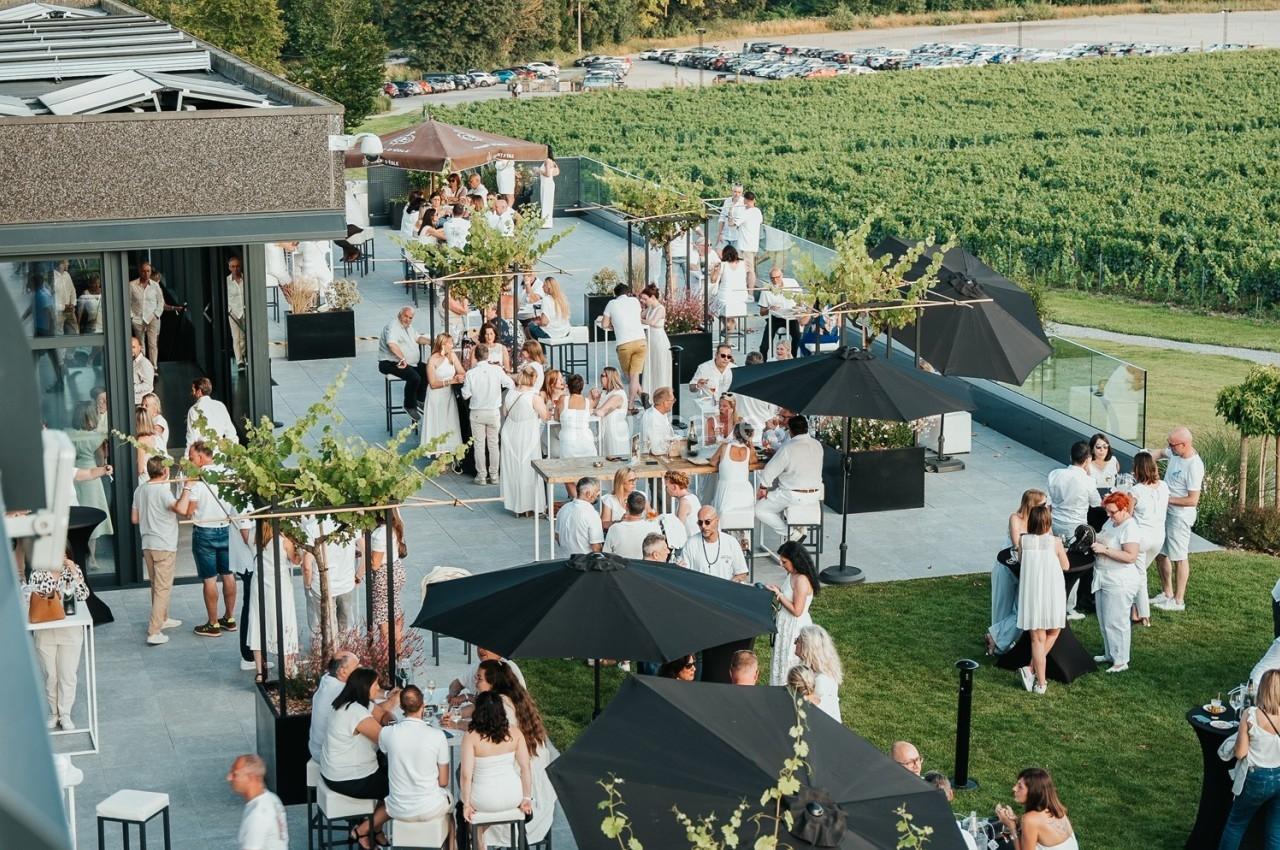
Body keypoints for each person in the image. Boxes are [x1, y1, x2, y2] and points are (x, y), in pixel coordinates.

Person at [322, 668, 391, 846]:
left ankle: (376, 829)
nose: (378, 688)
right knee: (402, 790)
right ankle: (363, 831)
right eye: (375, 684)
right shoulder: (357, 713)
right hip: (350, 778)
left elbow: (382, 714)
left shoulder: (347, 703)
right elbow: (386, 740)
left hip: (333, 772)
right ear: (365, 687)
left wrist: (387, 719)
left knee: (388, 770)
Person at [374, 686, 453, 840]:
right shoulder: (437, 736)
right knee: (451, 815)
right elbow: (443, 782)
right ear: (423, 705)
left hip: (398, 808)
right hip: (430, 807)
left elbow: (385, 752)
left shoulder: (387, 733)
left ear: (402, 707)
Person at [460, 692, 534, 848]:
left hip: (483, 799)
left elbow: (466, 775)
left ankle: (479, 843)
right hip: (513, 796)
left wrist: (467, 804)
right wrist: (527, 798)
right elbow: (525, 767)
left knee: (466, 817)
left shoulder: (471, 736)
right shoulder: (515, 732)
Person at [29, 555, 90, 729]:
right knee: (51, 675)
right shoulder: (38, 571)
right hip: (45, 630)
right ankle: (53, 713)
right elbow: (40, 593)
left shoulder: (73, 569)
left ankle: (65, 714)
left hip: (70, 631)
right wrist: (52, 573)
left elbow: (83, 595)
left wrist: (73, 571)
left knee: (67, 675)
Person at [132, 456, 186, 646]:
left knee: (156, 585)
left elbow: (134, 519)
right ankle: (154, 631)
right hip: (164, 544)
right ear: (165, 471)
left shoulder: (140, 489)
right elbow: (180, 509)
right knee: (163, 588)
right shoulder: (163, 491)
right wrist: (187, 488)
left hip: (147, 543)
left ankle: (163, 618)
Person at [1016, 505, 1071, 694]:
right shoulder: (1055, 542)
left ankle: (1036, 675)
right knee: (1053, 632)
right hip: (1052, 592)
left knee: (1036, 639)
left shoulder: (1023, 541)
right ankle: (1038, 679)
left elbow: (1022, 561)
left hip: (1031, 593)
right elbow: (1065, 565)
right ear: (1048, 522)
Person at [1148, 426, 1204, 612]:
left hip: (1180, 517)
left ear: (1184, 444)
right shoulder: (1175, 454)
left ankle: (1178, 600)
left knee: (1179, 556)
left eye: (1172, 445)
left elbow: (1192, 500)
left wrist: (1165, 498)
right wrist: (1148, 461)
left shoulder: (1194, 466)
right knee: (1160, 553)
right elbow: (1158, 453)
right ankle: (1167, 593)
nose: (1169, 447)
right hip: (1165, 513)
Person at [186, 441, 238, 638]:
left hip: (204, 531)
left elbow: (189, 511)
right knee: (228, 574)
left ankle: (213, 623)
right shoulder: (227, 473)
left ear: (200, 457)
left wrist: (187, 488)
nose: (191, 462)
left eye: (191, 458)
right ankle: (230, 618)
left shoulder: (199, 480)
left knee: (209, 580)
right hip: (226, 528)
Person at [987, 489, 1048, 657]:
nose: (1046, 507)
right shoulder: (1015, 518)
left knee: (1024, 608)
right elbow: (1016, 543)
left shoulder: (1041, 520)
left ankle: (996, 637)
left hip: (1029, 569)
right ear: (1032, 505)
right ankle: (999, 646)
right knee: (1002, 606)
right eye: (1043, 504)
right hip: (1008, 566)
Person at [1090, 491, 1143, 674]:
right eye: (1108, 511)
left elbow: (1130, 557)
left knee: (1117, 620)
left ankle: (1121, 659)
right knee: (1104, 618)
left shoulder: (1130, 528)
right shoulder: (1111, 522)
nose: (1109, 515)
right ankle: (1109, 652)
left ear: (1124, 509)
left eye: (1112, 512)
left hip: (1120, 579)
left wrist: (1104, 550)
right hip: (1103, 575)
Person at [1046, 440, 1100, 619]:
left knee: (1054, 562)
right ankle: (1068, 607)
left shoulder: (1055, 474)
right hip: (1075, 527)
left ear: (1071, 457)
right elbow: (1096, 503)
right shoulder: (1087, 480)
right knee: (1072, 565)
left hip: (1055, 522)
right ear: (1087, 460)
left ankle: (1052, 599)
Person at [245, 523, 300, 681]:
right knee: (284, 621)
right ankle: (287, 668)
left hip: (259, 581)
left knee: (258, 622)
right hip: (279, 583)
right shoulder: (283, 539)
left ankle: (260, 672)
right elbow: (296, 560)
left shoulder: (253, 536)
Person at [756, 415, 823, 541]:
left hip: (793, 495)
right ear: (806, 428)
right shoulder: (818, 445)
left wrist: (763, 487)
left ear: (790, 431)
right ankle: (799, 529)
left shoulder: (789, 447)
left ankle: (791, 533)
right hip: (815, 496)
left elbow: (770, 470)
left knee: (760, 509)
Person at [462, 342, 515, 486]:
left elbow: (466, 395)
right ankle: (494, 475)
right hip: (493, 411)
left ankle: (481, 475)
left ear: (476, 356)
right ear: (488, 355)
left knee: (479, 445)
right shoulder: (497, 371)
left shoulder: (470, 374)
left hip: (477, 411)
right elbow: (511, 384)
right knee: (493, 444)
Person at [767, 540, 819, 686]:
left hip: (794, 626)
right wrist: (778, 590)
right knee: (780, 659)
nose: (782, 565)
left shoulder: (802, 580)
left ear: (794, 560)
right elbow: (789, 595)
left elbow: (797, 610)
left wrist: (779, 595)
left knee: (789, 661)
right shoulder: (792, 574)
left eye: (784, 562)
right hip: (785, 624)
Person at [501, 365, 550, 517]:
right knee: (529, 470)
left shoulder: (510, 393)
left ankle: (516, 505)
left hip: (510, 432)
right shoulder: (534, 397)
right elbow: (545, 416)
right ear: (533, 379)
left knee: (513, 469)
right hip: (527, 434)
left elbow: (505, 412)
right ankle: (530, 505)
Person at [302, 516, 360, 636]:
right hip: (346, 582)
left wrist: (308, 585)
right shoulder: (350, 523)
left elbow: (307, 565)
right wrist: (358, 574)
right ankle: (346, 650)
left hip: (322, 585)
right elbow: (365, 551)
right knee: (346, 627)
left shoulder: (312, 527)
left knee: (327, 630)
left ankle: (329, 653)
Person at [994, 768, 1078, 850]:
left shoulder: (1029, 819)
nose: (1014, 788)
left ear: (1034, 791)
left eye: (1020, 787)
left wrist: (1011, 826)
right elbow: (1040, 829)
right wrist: (1016, 821)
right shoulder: (1056, 809)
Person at [1129, 451, 1169, 626]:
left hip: (1141, 538)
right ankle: (1135, 608)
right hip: (1158, 537)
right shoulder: (1164, 487)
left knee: (1139, 577)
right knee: (1138, 574)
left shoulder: (1135, 491)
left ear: (1137, 470)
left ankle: (1142, 615)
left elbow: (1128, 517)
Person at [597, 283, 647, 409]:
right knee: (635, 375)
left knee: (629, 376)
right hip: (641, 341)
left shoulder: (612, 304)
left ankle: (630, 404)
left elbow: (604, 324)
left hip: (624, 343)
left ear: (615, 294)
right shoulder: (635, 301)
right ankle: (641, 395)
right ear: (628, 292)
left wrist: (613, 325)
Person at [378, 306, 431, 421]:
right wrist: (402, 358)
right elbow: (391, 344)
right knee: (414, 377)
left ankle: (419, 400)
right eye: (405, 316)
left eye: (410, 318)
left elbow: (418, 338)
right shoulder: (392, 327)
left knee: (428, 370)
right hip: (389, 362)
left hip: (409, 362)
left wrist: (431, 342)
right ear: (399, 315)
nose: (407, 319)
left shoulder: (408, 326)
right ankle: (409, 405)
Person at [227, 754, 288, 850]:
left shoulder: (258, 815)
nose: (229, 778)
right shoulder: (272, 799)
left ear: (251, 778)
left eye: (235, 774)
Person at [309, 651, 359, 763]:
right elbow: (373, 712)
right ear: (342, 671)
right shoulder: (341, 692)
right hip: (330, 756)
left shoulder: (327, 679)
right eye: (357, 667)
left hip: (316, 749)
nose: (360, 669)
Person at [370, 509, 408, 649]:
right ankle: (399, 654)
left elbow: (375, 564)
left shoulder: (380, 534)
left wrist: (363, 556)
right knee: (394, 610)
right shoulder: (395, 526)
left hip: (384, 575)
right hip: (397, 569)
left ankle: (388, 654)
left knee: (383, 616)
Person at [421, 334, 464, 455]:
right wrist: (450, 381)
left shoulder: (452, 356)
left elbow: (461, 370)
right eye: (450, 343)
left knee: (449, 422)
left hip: (448, 395)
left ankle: (450, 451)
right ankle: (439, 453)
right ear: (443, 344)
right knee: (438, 423)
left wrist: (459, 376)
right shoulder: (432, 360)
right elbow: (433, 383)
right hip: (436, 396)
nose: (452, 345)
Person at [686, 506, 748, 582]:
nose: (703, 526)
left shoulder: (731, 542)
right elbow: (683, 573)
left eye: (707, 522)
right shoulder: (691, 544)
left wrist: (729, 585)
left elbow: (742, 573)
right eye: (700, 523)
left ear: (717, 521)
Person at [795, 624, 842, 722]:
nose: (794, 643)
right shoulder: (810, 672)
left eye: (798, 640)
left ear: (807, 646)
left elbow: (811, 713)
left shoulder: (822, 680)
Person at [758, 266, 803, 358]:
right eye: (772, 278)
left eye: (777, 277)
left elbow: (800, 299)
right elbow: (762, 312)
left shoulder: (792, 282)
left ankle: (792, 359)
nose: (775, 280)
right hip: (775, 318)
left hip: (791, 316)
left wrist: (798, 307)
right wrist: (769, 309)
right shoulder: (766, 289)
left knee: (797, 337)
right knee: (764, 345)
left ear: (782, 275)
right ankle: (763, 364)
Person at [734, 353, 778, 443]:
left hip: (742, 431)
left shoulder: (736, 382)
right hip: (761, 432)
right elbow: (772, 415)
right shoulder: (769, 384)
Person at [557, 373, 597, 469]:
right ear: (582, 387)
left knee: (567, 474)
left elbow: (556, 417)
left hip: (568, 443)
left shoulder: (563, 399)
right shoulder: (588, 402)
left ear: (568, 386)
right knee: (587, 474)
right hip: (586, 442)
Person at [604, 491, 659, 559]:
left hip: (622, 568)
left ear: (626, 506)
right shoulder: (654, 527)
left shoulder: (614, 529)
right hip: (646, 567)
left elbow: (606, 554)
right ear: (644, 507)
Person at [129, 261, 164, 367]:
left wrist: (157, 314)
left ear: (150, 272)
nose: (146, 273)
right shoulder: (132, 285)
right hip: (138, 318)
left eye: (148, 271)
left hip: (152, 317)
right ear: (140, 271)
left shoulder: (155, 286)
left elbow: (161, 302)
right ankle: (143, 366)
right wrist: (131, 316)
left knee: (152, 344)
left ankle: (154, 367)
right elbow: (127, 302)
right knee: (140, 344)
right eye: (143, 271)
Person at [557, 477, 604, 555]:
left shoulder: (564, 508)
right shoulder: (592, 514)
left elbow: (557, 536)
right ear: (588, 494)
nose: (598, 494)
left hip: (563, 560)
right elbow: (596, 547)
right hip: (584, 562)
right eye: (597, 491)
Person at [639, 285, 672, 394]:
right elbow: (640, 315)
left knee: (659, 366)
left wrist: (640, 320)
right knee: (650, 366)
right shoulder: (650, 308)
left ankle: (662, 393)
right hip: (650, 341)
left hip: (659, 341)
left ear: (652, 297)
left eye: (645, 299)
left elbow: (652, 322)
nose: (643, 301)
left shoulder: (660, 308)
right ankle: (650, 392)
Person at [592, 367, 631, 458]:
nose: (600, 378)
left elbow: (601, 412)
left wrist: (593, 410)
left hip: (615, 433)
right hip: (606, 431)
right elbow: (592, 407)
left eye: (603, 376)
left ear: (610, 377)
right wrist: (594, 397)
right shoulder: (605, 393)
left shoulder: (618, 395)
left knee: (615, 458)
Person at [186, 377, 237, 447]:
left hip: (204, 454)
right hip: (221, 453)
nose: (192, 393)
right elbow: (231, 432)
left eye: (193, 390)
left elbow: (191, 438)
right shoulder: (220, 405)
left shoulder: (194, 410)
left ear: (199, 392)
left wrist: (187, 456)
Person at [713, 245, 749, 333]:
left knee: (710, 306)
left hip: (725, 298)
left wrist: (715, 269)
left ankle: (729, 325)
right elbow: (748, 275)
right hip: (742, 298)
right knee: (728, 312)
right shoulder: (743, 263)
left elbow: (713, 280)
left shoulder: (723, 264)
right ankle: (730, 324)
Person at [529, 276, 572, 341]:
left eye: (544, 285)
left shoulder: (546, 299)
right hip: (565, 332)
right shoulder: (562, 298)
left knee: (530, 326)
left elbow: (544, 322)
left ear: (548, 288)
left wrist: (537, 322)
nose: (542, 287)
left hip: (552, 334)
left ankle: (540, 350)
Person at [639, 387, 677, 456]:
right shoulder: (653, 419)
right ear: (665, 403)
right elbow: (656, 450)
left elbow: (668, 436)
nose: (674, 402)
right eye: (673, 400)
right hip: (655, 459)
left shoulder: (660, 412)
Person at [664, 470, 702, 539]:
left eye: (666, 486)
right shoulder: (693, 497)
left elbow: (678, 529)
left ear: (674, 487)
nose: (665, 489)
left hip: (690, 541)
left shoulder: (684, 502)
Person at [737, 191, 763, 288]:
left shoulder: (746, 213)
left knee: (748, 270)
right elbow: (759, 222)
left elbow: (732, 224)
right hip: (752, 246)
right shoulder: (758, 212)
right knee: (750, 270)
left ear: (746, 200)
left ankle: (749, 293)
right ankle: (748, 291)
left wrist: (731, 212)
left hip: (745, 246)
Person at [226, 256, 247, 368]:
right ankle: (239, 361)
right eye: (233, 266)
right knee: (236, 337)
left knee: (244, 336)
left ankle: (243, 355)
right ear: (229, 268)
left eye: (237, 266)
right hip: (233, 312)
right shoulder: (226, 281)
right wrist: (229, 310)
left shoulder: (246, 279)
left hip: (245, 311)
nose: (235, 269)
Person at [52, 259, 77, 336]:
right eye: (67, 262)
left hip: (70, 310)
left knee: (74, 332)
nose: (68, 264)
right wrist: (63, 307)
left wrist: (73, 303)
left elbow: (73, 290)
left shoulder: (67, 275)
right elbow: (51, 298)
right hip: (59, 313)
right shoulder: (52, 277)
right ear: (61, 264)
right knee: (59, 334)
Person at [716, 182, 745, 249]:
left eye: (739, 192)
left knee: (735, 258)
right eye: (735, 192)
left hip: (738, 237)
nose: (737, 194)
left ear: (742, 193)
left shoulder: (744, 202)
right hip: (725, 235)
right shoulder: (727, 201)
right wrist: (720, 234)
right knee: (719, 252)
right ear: (732, 191)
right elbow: (722, 218)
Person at [536, 152, 559, 228]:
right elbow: (557, 172)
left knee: (545, 202)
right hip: (549, 183)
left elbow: (548, 174)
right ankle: (547, 222)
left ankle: (545, 223)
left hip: (546, 184)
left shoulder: (547, 161)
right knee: (548, 203)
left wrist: (539, 171)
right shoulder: (552, 161)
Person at [131, 335, 154, 405]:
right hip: (132, 401)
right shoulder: (131, 361)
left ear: (140, 348)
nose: (130, 350)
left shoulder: (144, 364)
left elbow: (148, 385)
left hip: (139, 403)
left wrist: (131, 388)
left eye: (133, 347)